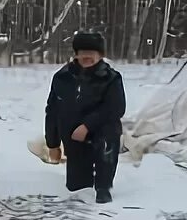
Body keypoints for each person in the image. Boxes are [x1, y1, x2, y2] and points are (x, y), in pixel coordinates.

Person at [44, 32, 126, 203]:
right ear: (76, 54)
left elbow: (116, 108)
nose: (87, 56)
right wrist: (52, 144)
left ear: (101, 55)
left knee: (107, 138)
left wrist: (87, 126)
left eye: (92, 52)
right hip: (73, 136)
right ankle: (81, 183)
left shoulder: (111, 78)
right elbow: (52, 111)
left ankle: (103, 187)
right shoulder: (62, 77)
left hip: (101, 133)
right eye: (83, 52)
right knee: (77, 189)